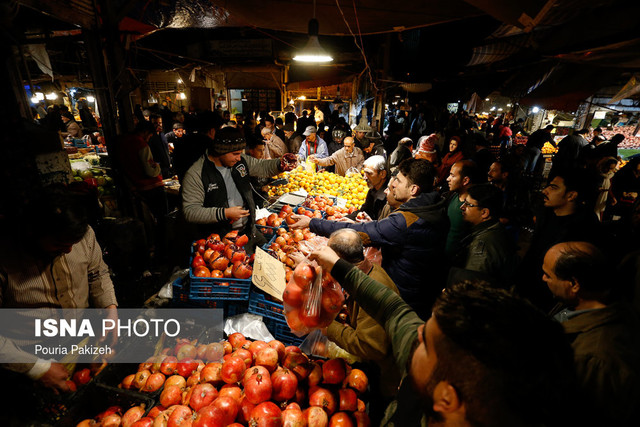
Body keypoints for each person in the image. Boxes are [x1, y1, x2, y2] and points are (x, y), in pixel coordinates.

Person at [308, 246, 578, 426]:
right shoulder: (441, 373)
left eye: (426, 341)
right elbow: (393, 310)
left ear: (447, 398)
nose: (418, 331)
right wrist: (339, 266)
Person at [291, 158, 449, 317]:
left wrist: (312, 223)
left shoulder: (406, 221)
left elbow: (358, 232)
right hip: (421, 291)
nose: (393, 184)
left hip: (406, 297)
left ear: (413, 189)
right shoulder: (434, 209)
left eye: (399, 181)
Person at [0, 185, 117, 392]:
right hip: (24, 354)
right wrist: (36, 368)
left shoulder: (82, 234)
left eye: (74, 243)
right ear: (32, 231)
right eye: (58, 243)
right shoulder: (6, 254)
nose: (69, 250)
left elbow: (97, 273)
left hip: (79, 337)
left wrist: (110, 309)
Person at [542, 242, 640, 424]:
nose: (543, 278)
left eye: (548, 275)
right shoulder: (575, 304)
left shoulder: (595, 358)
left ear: (574, 284)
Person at [181, 127, 296, 250]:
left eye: (240, 153)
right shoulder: (197, 174)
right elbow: (190, 211)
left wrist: (280, 164)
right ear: (220, 151)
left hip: (249, 231)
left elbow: (261, 166)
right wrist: (224, 213)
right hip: (222, 242)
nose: (239, 158)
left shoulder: (240, 161)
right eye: (235, 154)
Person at [323, 230, 402, 403]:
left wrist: (326, 325)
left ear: (338, 258)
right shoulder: (369, 271)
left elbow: (370, 346)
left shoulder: (370, 291)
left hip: (382, 375)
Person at [517, 168, 602, 310]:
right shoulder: (545, 214)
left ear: (571, 195)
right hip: (527, 290)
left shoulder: (584, 230)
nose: (545, 191)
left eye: (553, 187)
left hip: (550, 301)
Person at [451, 184, 518, 286]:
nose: (462, 207)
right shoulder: (495, 229)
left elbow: (472, 287)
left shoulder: (482, 248)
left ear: (484, 212)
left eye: (468, 204)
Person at [444, 160, 483, 259]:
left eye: (452, 176)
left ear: (465, 180)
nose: (448, 179)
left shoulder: (474, 209)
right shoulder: (452, 196)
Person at [351, 155, 390, 221]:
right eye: (364, 173)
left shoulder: (388, 197)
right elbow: (364, 211)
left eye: (369, 173)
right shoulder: (373, 191)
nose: (364, 177)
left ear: (382, 174)